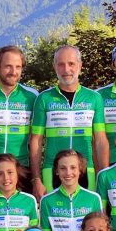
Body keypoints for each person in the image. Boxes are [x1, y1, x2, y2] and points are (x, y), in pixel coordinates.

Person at [30, 45, 109, 198]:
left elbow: (100, 140)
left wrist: (104, 176)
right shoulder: (44, 98)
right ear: (54, 67)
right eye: (61, 64)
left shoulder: (94, 98)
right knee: (54, 212)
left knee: (88, 213)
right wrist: (36, 179)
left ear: (80, 65)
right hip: (52, 170)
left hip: (86, 171)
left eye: (71, 64)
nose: (66, 69)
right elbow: (36, 141)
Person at [0, 46, 38, 192]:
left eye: (18, 67)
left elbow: (36, 137)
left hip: (21, 166)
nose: (13, 71)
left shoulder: (32, 95)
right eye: (8, 66)